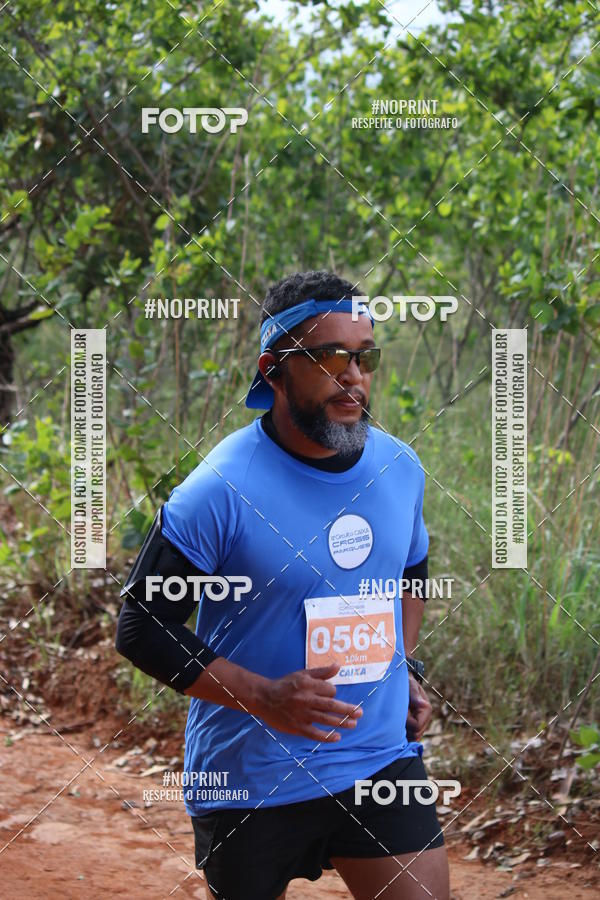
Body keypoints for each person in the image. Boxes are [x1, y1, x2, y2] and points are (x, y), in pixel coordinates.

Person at [115, 270, 450, 900]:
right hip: (251, 775)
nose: (354, 375)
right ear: (274, 370)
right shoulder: (219, 489)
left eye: (365, 356)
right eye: (329, 357)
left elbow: (411, 571)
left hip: (377, 758)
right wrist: (267, 697)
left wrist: (404, 667)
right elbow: (141, 626)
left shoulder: (400, 468)